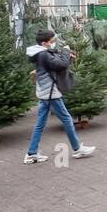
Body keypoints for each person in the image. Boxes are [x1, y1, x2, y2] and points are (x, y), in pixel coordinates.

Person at [24, 27, 96, 164]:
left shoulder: (40, 53)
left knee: (40, 123)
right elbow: (61, 64)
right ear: (45, 43)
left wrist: (65, 54)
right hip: (51, 93)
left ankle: (32, 153)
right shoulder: (43, 55)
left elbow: (54, 56)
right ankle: (77, 149)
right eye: (52, 41)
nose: (54, 43)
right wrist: (66, 52)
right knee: (67, 119)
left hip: (44, 92)